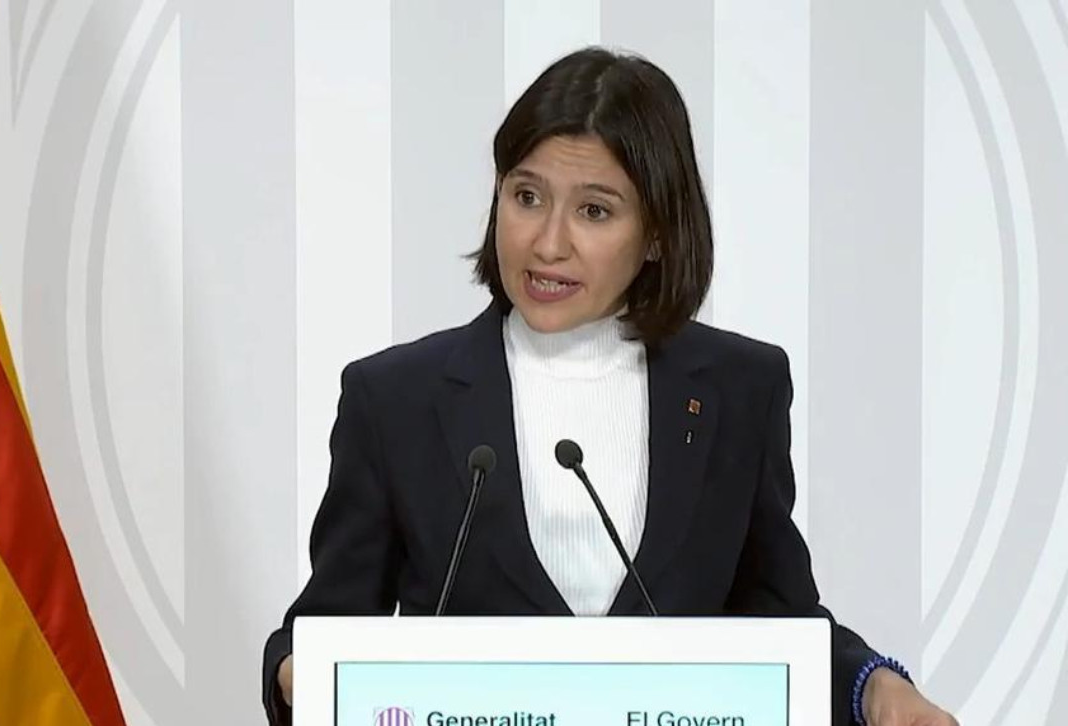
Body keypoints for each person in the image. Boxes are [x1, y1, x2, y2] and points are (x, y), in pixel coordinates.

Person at [263, 47, 957, 726]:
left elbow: (780, 620)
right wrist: (301, 671)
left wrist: (872, 687)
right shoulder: (395, 399)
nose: (548, 243)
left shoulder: (740, 388)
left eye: (594, 211)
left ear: (656, 233)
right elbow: (322, 628)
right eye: (527, 197)